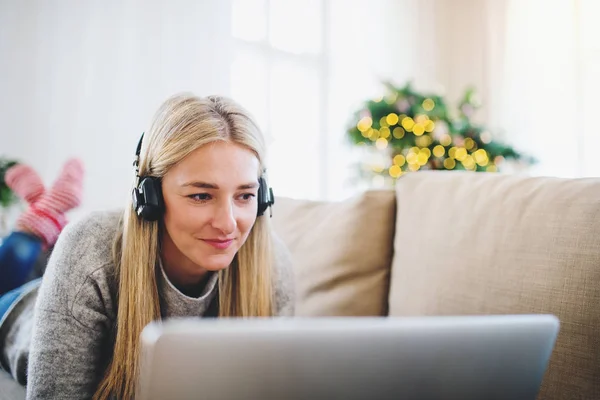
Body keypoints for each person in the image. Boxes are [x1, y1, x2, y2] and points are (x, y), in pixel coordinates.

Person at [0, 93, 295, 399]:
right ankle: (41, 215)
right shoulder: (88, 248)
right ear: (149, 197)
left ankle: (44, 212)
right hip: (18, 309)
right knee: (21, 249)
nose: (228, 224)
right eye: (201, 196)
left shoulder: (272, 264)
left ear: (262, 199)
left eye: (245, 196)